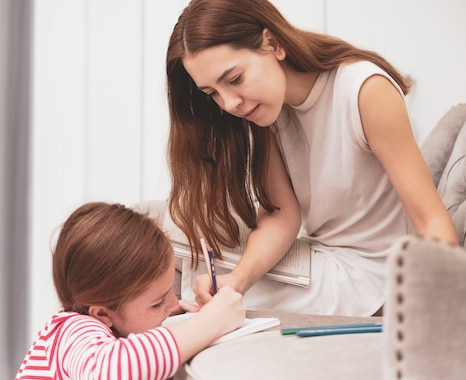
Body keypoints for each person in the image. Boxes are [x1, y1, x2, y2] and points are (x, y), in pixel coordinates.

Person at [165, 0, 458, 316]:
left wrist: (439, 313)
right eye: (213, 93)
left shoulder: (364, 90)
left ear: (273, 44)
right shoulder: (267, 113)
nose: (230, 103)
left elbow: (430, 219)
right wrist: (237, 281)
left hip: (379, 277)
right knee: (202, 266)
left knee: (203, 283)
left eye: (235, 79)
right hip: (327, 261)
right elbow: (280, 215)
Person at [0, 201, 244, 380]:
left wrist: (170, 315)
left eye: (169, 292)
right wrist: (211, 323)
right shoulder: (75, 331)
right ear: (102, 314)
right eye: (158, 302)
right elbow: (114, 373)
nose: (173, 304)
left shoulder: (88, 325)